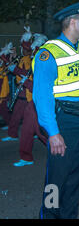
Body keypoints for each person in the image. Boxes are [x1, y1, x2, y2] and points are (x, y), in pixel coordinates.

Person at [32, 0, 79, 219]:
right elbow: (42, 97)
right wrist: (53, 132)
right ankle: (49, 216)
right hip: (63, 123)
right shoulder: (48, 53)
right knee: (56, 181)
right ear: (73, 22)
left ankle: (68, 216)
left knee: (77, 178)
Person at [12, 33, 48, 167]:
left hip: (40, 102)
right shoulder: (36, 61)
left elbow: (41, 87)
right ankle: (26, 157)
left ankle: (60, 151)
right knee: (27, 130)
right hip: (32, 102)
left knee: (41, 132)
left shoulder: (44, 64)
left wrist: (26, 82)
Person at [2, 26, 33, 142]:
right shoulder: (24, 58)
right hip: (22, 91)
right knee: (19, 115)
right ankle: (13, 133)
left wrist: (14, 68)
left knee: (21, 116)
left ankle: (15, 134)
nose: (22, 50)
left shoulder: (28, 60)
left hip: (25, 92)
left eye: (23, 48)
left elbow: (27, 73)